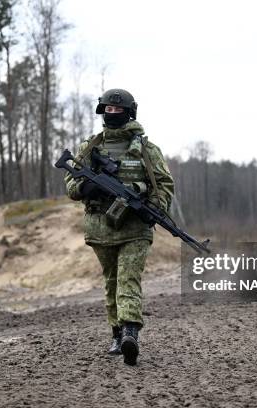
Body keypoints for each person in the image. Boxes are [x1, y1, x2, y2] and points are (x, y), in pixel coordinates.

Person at [64, 88, 174, 366]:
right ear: (103, 112)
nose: (113, 114)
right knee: (112, 282)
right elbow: (70, 186)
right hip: (100, 227)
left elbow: (164, 185)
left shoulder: (147, 150)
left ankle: (130, 332)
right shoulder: (89, 148)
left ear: (129, 113)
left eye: (118, 110)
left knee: (128, 279)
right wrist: (86, 186)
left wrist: (155, 208)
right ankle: (116, 333)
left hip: (135, 227)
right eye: (108, 110)